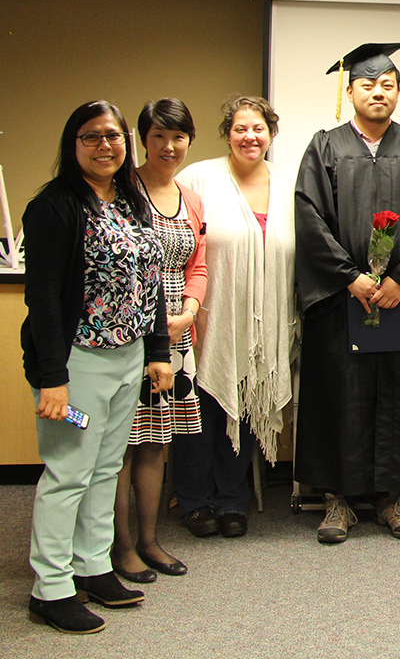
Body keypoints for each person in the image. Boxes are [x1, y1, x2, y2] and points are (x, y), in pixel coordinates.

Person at [22, 100, 173, 633]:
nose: (105, 145)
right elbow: (41, 298)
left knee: (106, 468)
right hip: (77, 366)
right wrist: (51, 378)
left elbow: (150, 282)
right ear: (73, 145)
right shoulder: (56, 207)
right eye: (91, 136)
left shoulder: (129, 201)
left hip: (127, 360)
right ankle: (51, 588)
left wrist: (157, 353)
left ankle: (92, 566)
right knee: (68, 471)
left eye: (113, 135)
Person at [294, 43, 400, 543]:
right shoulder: (324, 147)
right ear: (350, 90)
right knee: (343, 391)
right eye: (367, 84)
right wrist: (348, 276)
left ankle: (393, 496)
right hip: (344, 299)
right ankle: (339, 499)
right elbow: (310, 217)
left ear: (399, 91)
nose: (378, 92)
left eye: (387, 85)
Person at [176, 96, 297, 538]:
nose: (250, 136)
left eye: (259, 128)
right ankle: (193, 500)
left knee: (249, 407)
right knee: (200, 408)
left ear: (271, 134)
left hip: (267, 318)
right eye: (240, 128)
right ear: (227, 132)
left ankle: (232, 500)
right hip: (209, 317)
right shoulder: (199, 178)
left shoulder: (289, 182)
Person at [112, 99, 206, 583]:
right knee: (121, 444)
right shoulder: (122, 191)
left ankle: (149, 541)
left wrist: (188, 311)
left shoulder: (190, 196)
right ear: (141, 139)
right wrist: (155, 323)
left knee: (153, 443)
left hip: (176, 333)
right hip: (131, 331)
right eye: (157, 137)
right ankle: (120, 546)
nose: (169, 147)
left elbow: (198, 266)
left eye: (178, 137)